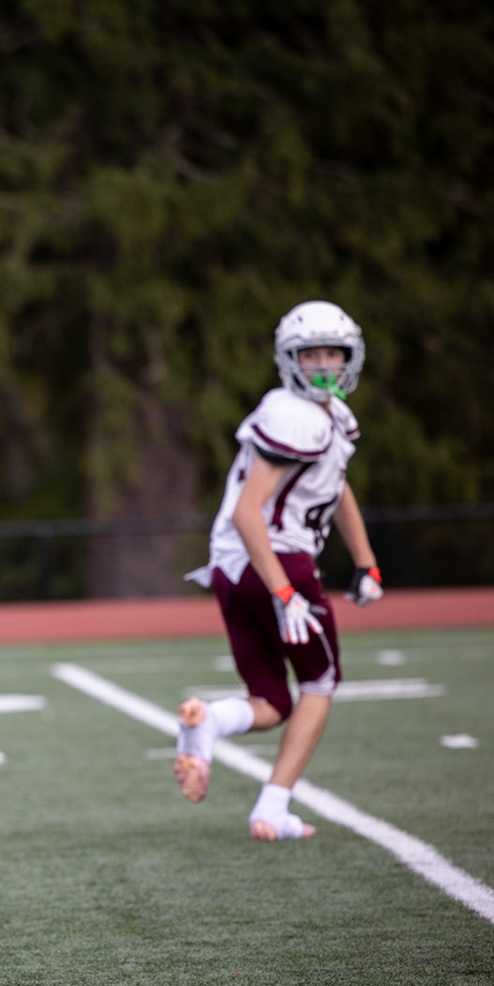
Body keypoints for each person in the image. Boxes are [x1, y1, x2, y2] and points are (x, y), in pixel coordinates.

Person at [173, 301, 384, 841]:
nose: (322, 365)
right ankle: (272, 807)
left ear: (348, 357)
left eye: (331, 354)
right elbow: (249, 513)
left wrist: (365, 562)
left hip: (231, 568)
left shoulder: (329, 417)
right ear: (290, 359)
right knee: (321, 680)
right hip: (273, 561)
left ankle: (210, 722)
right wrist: (286, 590)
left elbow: (336, 490)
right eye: (309, 354)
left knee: (273, 699)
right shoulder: (296, 415)